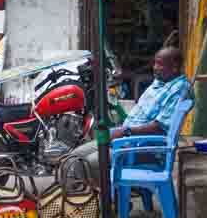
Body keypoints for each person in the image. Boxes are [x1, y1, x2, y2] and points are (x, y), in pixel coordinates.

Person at [63, 46, 193, 187]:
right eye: (155, 63)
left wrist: (126, 131)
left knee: (84, 164)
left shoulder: (179, 88)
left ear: (174, 67)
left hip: (144, 148)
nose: (155, 67)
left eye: (160, 64)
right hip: (126, 141)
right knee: (72, 158)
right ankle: (110, 194)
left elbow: (159, 127)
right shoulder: (162, 81)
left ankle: (112, 198)